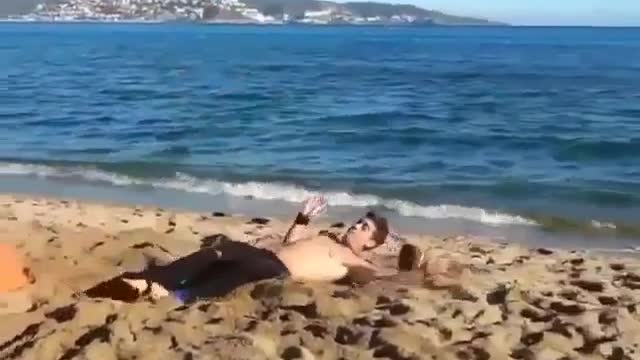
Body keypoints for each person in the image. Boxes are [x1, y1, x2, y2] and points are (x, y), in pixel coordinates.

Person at [83, 196, 394, 303]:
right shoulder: (327, 239)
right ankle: (150, 279)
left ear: (371, 243)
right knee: (219, 252)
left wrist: (413, 269)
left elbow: (374, 278)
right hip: (267, 255)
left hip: (276, 271)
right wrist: (303, 218)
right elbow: (291, 242)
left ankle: (176, 294)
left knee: (232, 274)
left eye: (363, 228)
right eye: (357, 222)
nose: (355, 227)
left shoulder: (353, 260)